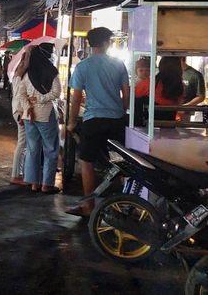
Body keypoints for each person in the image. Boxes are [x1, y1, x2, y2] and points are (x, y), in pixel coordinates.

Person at [66, 27, 130, 217]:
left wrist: (70, 122)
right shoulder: (119, 64)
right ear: (107, 42)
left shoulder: (82, 66)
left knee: (87, 162)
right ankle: (128, 205)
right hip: (116, 121)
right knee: (121, 162)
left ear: (90, 44)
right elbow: (126, 93)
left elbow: (76, 98)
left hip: (93, 120)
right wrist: (121, 111)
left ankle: (88, 206)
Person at [17, 44, 62, 193]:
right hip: (45, 114)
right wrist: (41, 98)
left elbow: (21, 93)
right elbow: (56, 93)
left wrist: (28, 105)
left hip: (29, 115)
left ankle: (33, 182)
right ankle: (46, 184)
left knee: (32, 149)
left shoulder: (27, 72)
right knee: (50, 149)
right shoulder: (51, 71)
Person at [134, 56, 183, 125]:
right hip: (170, 126)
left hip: (148, 127)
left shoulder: (150, 83)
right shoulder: (180, 87)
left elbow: (133, 96)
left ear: (160, 66)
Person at [9, 49, 31, 186]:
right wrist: (30, 53)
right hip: (20, 110)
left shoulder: (17, 73)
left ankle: (18, 173)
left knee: (23, 143)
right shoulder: (23, 74)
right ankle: (16, 174)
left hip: (17, 109)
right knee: (23, 143)